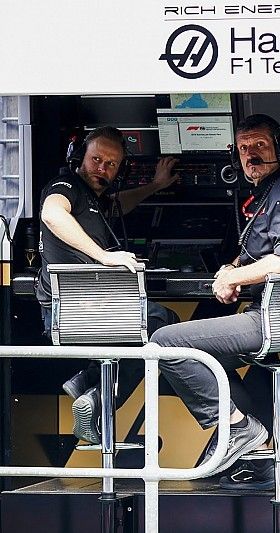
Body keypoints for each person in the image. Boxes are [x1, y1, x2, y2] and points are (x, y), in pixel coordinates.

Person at [147, 114, 280, 490]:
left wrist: (233, 277)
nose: (252, 154)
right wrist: (233, 269)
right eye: (244, 148)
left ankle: (240, 429)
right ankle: (257, 444)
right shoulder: (267, 191)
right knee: (205, 360)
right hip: (277, 314)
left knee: (165, 343)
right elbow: (259, 252)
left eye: (260, 145)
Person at [37, 126, 180, 444]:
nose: (102, 168)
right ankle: (97, 397)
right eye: (96, 159)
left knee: (156, 326)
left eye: (111, 164)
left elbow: (119, 204)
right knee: (162, 324)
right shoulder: (65, 185)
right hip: (73, 313)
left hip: (88, 311)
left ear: (120, 169)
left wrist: (155, 186)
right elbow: (52, 214)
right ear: (78, 157)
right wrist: (104, 256)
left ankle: (88, 385)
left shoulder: (95, 199)